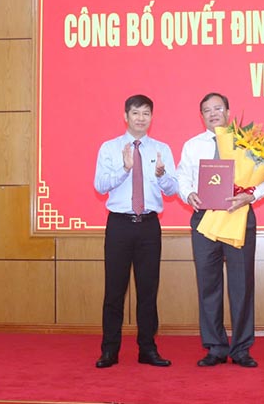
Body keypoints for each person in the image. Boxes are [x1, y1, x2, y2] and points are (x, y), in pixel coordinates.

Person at [175, 92, 264, 368]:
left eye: (218, 108)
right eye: (207, 110)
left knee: (242, 285)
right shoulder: (192, 146)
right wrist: (188, 194)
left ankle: (241, 348)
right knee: (208, 285)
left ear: (228, 111)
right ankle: (215, 347)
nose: (213, 113)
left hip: (238, 216)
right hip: (205, 220)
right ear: (202, 115)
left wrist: (251, 196)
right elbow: (183, 175)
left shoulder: (246, 141)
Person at [92, 94, 179, 368]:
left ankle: (147, 349)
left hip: (149, 227)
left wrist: (163, 175)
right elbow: (99, 184)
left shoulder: (161, 149)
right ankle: (109, 350)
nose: (141, 118)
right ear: (125, 116)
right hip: (119, 225)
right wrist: (125, 168)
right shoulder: (109, 148)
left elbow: (173, 189)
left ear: (152, 117)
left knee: (148, 291)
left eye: (146, 114)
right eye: (135, 113)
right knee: (114, 291)